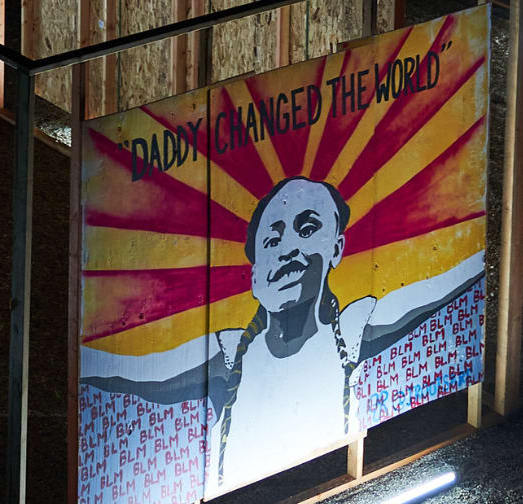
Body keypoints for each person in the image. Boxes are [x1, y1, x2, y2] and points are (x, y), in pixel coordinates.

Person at [80, 176, 485, 493]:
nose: (287, 247)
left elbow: (443, 286)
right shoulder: (228, 352)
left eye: (306, 230)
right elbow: (127, 373)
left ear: (337, 248)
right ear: (255, 274)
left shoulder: (354, 327)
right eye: (272, 238)